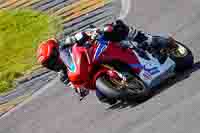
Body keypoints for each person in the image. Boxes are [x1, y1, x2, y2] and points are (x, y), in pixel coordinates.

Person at [36, 20, 169, 104]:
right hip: (93, 74)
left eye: (52, 58)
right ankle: (127, 84)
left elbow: (83, 34)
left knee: (111, 29)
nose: (53, 63)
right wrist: (80, 90)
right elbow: (78, 88)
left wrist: (91, 33)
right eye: (49, 64)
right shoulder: (63, 75)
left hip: (98, 49)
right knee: (105, 98)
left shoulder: (66, 44)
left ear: (56, 49)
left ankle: (147, 40)